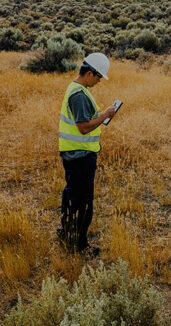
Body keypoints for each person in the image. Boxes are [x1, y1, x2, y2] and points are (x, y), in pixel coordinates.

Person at [57, 51, 119, 252]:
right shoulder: (79, 94)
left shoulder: (76, 89)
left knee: (72, 195)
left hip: (75, 154)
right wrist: (106, 115)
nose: (100, 81)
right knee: (82, 202)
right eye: (100, 76)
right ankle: (78, 245)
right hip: (80, 156)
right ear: (90, 73)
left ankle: (67, 232)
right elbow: (83, 127)